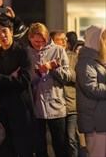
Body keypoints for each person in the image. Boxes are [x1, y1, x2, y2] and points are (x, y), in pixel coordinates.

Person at [0, 15, 39, 157]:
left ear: (11, 31)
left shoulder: (24, 52)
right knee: (5, 151)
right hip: (1, 112)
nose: (2, 35)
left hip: (21, 110)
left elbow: (25, 80)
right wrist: (7, 78)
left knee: (23, 150)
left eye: (4, 31)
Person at [28, 22, 71, 157]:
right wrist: (39, 72)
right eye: (35, 42)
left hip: (56, 106)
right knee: (40, 148)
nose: (38, 44)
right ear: (30, 38)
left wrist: (55, 69)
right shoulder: (27, 53)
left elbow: (68, 77)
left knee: (60, 146)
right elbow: (26, 82)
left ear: (46, 38)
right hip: (36, 106)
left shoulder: (58, 50)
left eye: (41, 41)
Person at [75, 24, 106, 157]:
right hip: (95, 120)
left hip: (101, 118)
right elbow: (91, 88)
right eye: (104, 39)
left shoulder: (97, 60)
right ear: (96, 40)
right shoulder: (86, 62)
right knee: (97, 153)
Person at [51, 30, 81, 157]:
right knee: (59, 141)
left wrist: (62, 69)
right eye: (60, 39)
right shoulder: (49, 57)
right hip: (56, 106)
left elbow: (77, 78)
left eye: (65, 39)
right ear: (52, 41)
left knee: (71, 139)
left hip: (71, 105)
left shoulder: (73, 57)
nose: (64, 42)